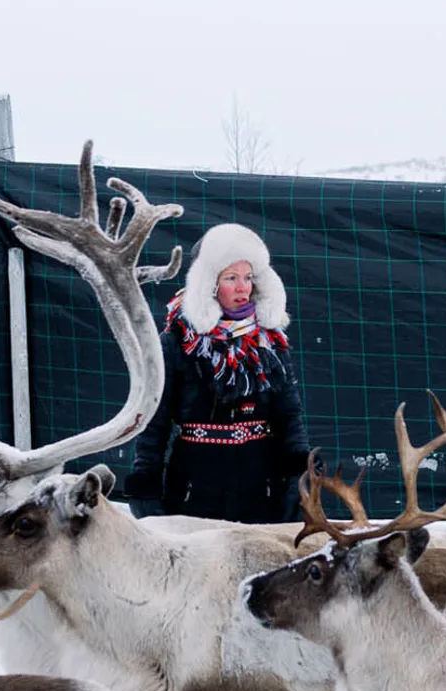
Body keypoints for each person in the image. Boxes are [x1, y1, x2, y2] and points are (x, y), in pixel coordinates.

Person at [124, 222, 310, 524]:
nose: (243, 287)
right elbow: (155, 420)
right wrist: (145, 484)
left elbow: (289, 416)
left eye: (248, 277)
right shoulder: (176, 341)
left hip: (261, 489)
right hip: (193, 490)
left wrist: (299, 480)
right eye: (231, 278)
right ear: (209, 283)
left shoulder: (270, 341)